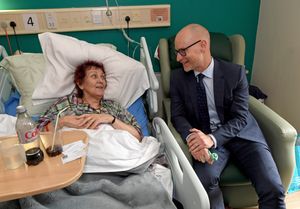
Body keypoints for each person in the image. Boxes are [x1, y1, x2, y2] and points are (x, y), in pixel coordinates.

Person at [170, 24, 286, 209]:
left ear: (203, 45)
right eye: (177, 52)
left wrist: (211, 139)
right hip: (205, 137)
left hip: (242, 135)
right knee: (203, 183)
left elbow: (240, 118)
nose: (178, 58)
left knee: (272, 187)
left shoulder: (235, 73)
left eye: (183, 51)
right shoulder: (178, 79)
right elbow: (178, 116)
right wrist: (194, 139)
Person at [38, 60, 142, 141]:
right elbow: (38, 134)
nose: (101, 81)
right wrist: (61, 122)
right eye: (94, 76)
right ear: (80, 84)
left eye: (103, 77)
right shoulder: (66, 104)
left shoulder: (114, 106)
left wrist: (110, 119)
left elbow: (137, 136)